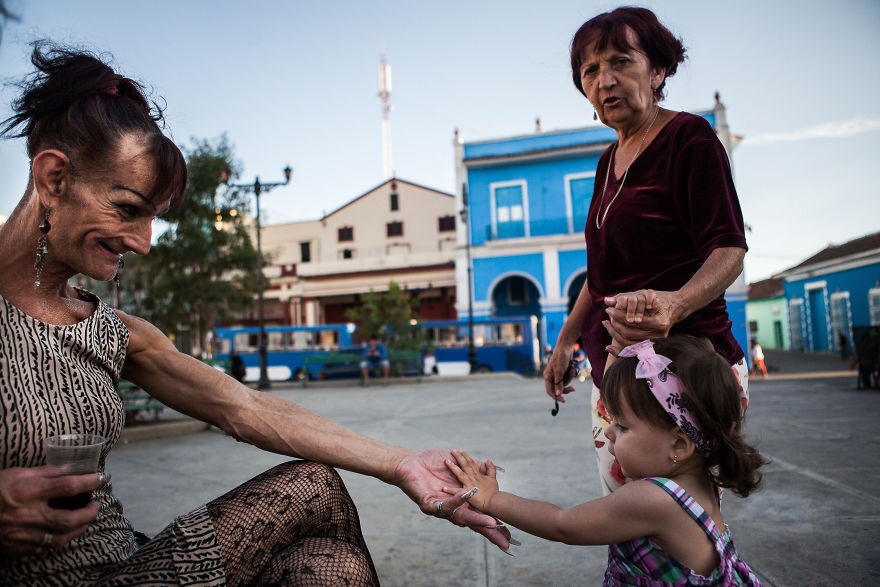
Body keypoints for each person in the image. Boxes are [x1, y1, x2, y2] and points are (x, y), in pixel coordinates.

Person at [0, 43, 510, 585]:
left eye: (154, 219)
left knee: (329, 566)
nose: (144, 242)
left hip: (124, 565)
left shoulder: (111, 332)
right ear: (54, 178)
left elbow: (244, 406)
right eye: (128, 209)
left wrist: (402, 462)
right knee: (313, 492)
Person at [544, 6, 750, 494]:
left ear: (657, 71)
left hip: (685, 369)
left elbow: (729, 247)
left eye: (621, 62)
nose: (604, 80)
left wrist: (674, 303)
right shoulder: (606, 161)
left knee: (678, 527)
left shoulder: (689, 137)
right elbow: (603, 275)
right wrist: (566, 339)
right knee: (627, 533)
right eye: (590, 70)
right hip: (615, 374)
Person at [449, 336, 765, 585]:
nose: (609, 433)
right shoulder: (699, 481)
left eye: (623, 426)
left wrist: (490, 497)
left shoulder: (653, 500)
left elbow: (562, 525)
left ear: (680, 444)